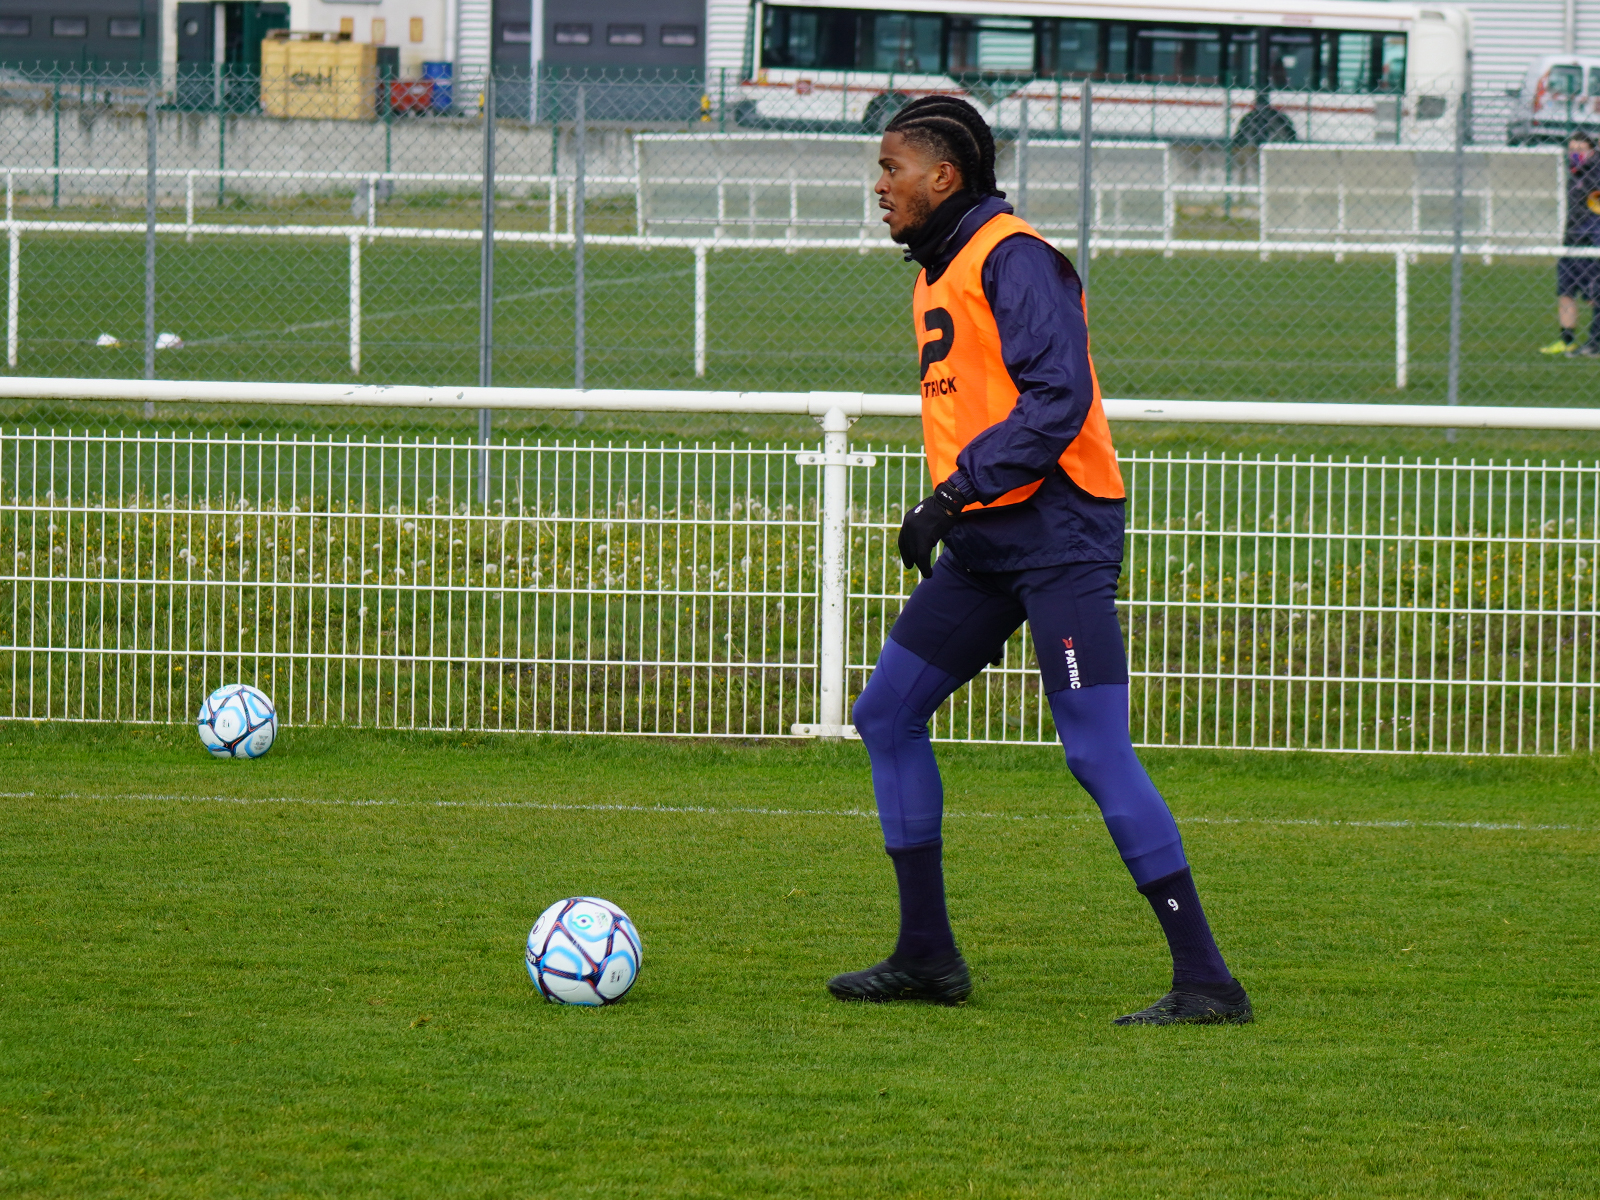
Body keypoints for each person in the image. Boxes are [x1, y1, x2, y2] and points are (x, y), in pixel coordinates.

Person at [825, 95, 1252, 1026]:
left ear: (944, 177)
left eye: (892, 168)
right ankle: (927, 956)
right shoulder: (936, 272)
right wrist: (960, 507)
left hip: (1059, 536)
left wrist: (949, 496)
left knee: (1094, 750)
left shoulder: (1014, 256)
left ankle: (1208, 983)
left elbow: (1057, 399)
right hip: (986, 541)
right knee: (886, 715)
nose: (880, 185)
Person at [1542, 131, 1600, 358]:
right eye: (1572, 149)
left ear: (1592, 151)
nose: (1575, 154)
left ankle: (1596, 341)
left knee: (1594, 294)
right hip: (1571, 240)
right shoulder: (1574, 173)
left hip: (1590, 242)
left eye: (1580, 150)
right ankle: (1567, 340)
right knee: (1565, 291)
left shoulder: (1595, 172)